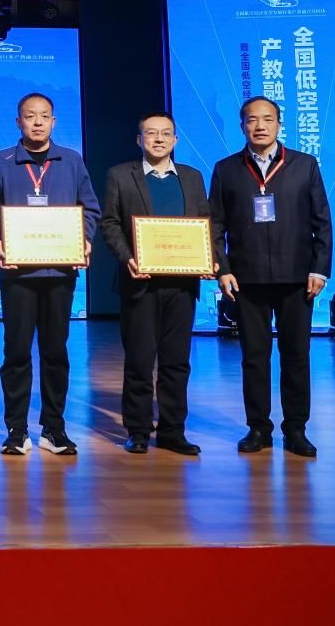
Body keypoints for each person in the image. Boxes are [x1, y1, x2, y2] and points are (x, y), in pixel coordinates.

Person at [0, 92, 101, 456]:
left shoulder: (72, 161)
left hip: (60, 272)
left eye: (44, 116)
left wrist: (84, 239)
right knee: (16, 352)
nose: (37, 122)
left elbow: (90, 208)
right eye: (30, 116)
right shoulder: (0, 162)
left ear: (53, 122)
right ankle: (16, 430)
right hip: (18, 273)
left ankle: (54, 429)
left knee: (55, 352)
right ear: (19, 121)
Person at [209, 96, 332, 457]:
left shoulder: (304, 164)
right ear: (242, 126)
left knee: (296, 356)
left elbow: (322, 221)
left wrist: (319, 268)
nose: (259, 126)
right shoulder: (226, 169)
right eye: (251, 120)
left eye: (267, 119)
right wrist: (223, 269)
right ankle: (258, 428)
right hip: (246, 279)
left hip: (297, 278)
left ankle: (296, 429)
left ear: (279, 124)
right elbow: (214, 226)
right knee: (254, 357)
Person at [100, 112, 213, 456]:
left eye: (166, 133)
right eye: (151, 133)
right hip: (140, 283)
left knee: (177, 362)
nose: (159, 139)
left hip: (182, 285)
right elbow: (110, 222)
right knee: (139, 360)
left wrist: (209, 258)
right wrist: (127, 258)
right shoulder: (120, 175)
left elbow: (205, 222)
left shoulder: (192, 177)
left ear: (175, 140)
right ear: (140, 140)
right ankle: (137, 430)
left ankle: (172, 431)